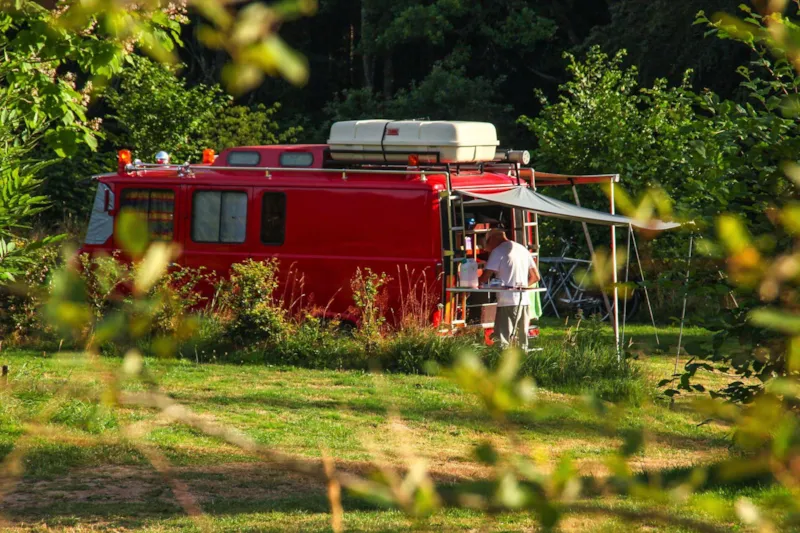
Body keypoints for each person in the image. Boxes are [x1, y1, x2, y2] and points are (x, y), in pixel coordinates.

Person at [479, 229, 540, 350]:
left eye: (487, 242)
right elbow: (536, 277)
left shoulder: (498, 251)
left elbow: (485, 276)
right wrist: (520, 288)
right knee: (522, 340)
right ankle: (524, 362)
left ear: (493, 239)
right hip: (524, 301)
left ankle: (500, 364)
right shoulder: (522, 249)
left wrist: (475, 282)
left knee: (502, 339)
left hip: (507, 301)